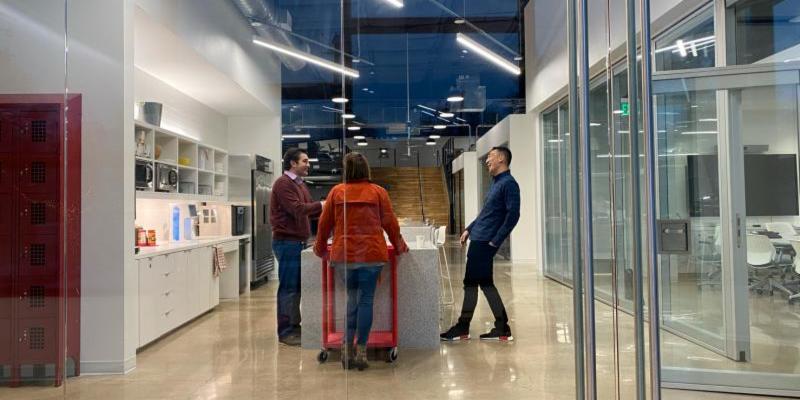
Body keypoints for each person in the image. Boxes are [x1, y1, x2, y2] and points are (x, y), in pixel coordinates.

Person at [314, 152, 409, 371]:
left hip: (344, 255)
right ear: (366, 169)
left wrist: (320, 249)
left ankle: (347, 349)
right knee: (366, 301)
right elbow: (390, 224)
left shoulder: (337, 192)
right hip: (372, 255)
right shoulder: (378, 192)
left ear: (346, 170)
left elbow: (324, 225)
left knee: (351, 300)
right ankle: (362, 351)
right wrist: (400, 245)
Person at [440, 146, 520, 342]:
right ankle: (501, 328)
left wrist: (495, 241)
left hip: (485, 242)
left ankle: (463, 327)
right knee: (485, 283)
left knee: (470, 284)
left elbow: (513, 216)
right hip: (480, 238)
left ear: (502, 159)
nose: (487, 161)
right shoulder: (496, 183)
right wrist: (469, 228)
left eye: (490, 157)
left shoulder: (509, 184)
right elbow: (486, 213)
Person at [271, 147, 323, 346]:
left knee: (296, 288)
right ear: (293, 163)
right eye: (305, 161)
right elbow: (298, 209)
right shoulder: (284, 184)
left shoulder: (300, 185)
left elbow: (310, 211)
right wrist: (324, 204)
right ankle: (285, 332)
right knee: (289, 289)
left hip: (298, 242)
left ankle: (294, 326)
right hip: (287, 243)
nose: (308, 164)